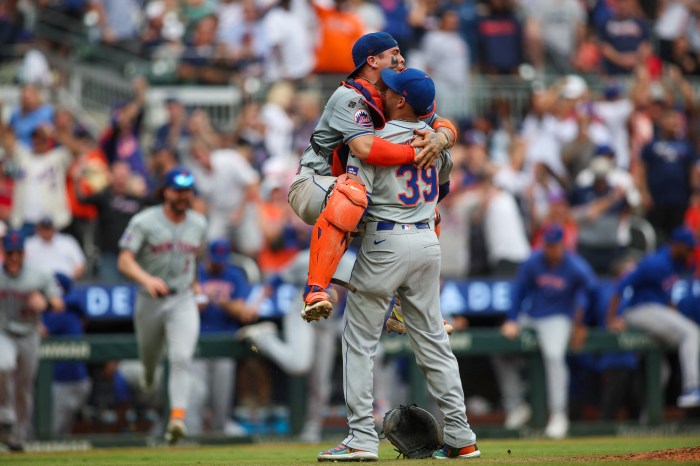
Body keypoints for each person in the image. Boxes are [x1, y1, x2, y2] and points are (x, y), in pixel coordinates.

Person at [317, 68, 479, 461]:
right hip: (426, 238)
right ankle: (461, 437)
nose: (381, 91)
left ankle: (360, 438)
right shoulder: (434, 141)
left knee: (359, 342)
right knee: (434, 343)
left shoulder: (373, 141)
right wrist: (440, 140)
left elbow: (352, 203)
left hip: (386, 240)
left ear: (402, 100)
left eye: (388, 89)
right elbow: (443, 189)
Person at [286, 31, 458, 320]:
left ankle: (406, 311)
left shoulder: (394, 94)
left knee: (427, 214)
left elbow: (442, 123)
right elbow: (365, 148)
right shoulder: (349, 96)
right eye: (394, 53)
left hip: (359, 189)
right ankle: (315, 289)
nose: (401, 58)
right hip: (314, 182)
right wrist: (416, 154)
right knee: (350, 194)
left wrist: (441, 139)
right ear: (372, 60)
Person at [117, 167, 208, 444]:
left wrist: (194, 283)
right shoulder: (144, 221)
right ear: (165, 191)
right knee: (150, 361)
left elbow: (195, 257)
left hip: (181, 299)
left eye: (187, 190)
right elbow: (124, 260)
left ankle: (176, 418)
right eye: (177, 190)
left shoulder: (199, 223)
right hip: (150, 300)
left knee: (181, 357)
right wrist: (146, 279)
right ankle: (146, 378)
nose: (183, 196)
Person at [495, 224, 597, 439]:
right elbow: (519, 290)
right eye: (548, 245)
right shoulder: (533, 261)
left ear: (563, 245)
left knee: (554, 356)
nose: (551, 249)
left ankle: (559, 414)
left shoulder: (575, 265)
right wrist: (512, 319)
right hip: (531, 315)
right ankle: (516, 406)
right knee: (500, 347)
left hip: (559, 317)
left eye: (555, 245)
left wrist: (582, 324)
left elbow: (592, 291)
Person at [606, 227, 700, 408]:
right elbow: (620, 288)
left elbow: (666, 299)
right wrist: (612, 318)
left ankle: (648, 417)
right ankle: (692, 388)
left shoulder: (675, 264)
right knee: (691, 334)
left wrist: (679, 317)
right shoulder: (655, 263)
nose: (690, 251)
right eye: (688, 247)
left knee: (661, 371)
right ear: (677, 245)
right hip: (640, 310)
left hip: (655, 312)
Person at [0, 230, 64, 451]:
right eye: (10, 253)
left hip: (29, 333)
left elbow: (58, 303)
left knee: (24, 387)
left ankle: (18, 436)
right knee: (4, 364)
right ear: (4, 253)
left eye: (18, 253)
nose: (14, 258)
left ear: (24, 253)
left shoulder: (38, 275)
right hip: (3, 331)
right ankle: (5, 414)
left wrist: (44, 301)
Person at [187, 240, 255, 437]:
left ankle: (220, 431)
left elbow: (242, 311)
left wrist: (222, 301)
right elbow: (189, 307)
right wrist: (202, 299)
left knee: (221, 396)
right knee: (197, 393)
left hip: (225, 342)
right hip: (198, 343)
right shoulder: (196, 273)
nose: (218, 263)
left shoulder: (234, 274)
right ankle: (192, 435)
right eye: (215, 259)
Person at [41, 273, 92, 437]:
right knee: (61, 434)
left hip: (65, 383)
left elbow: (40, 331)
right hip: (77, 382)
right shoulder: (75, 310)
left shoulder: (63, 314)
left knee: (49, 434)